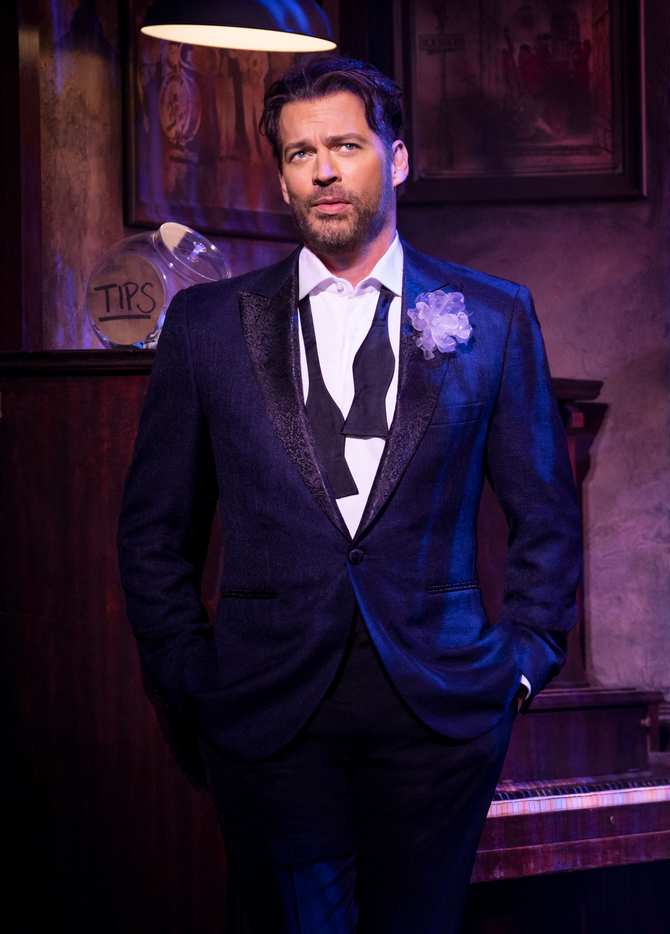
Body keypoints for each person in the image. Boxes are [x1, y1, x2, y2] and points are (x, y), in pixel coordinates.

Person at [116, 56, 581, 933]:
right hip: (266, 708)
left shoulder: (494, 315)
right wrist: (187, 674)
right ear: (284, 176)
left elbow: (548, 518)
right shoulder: (209, 326)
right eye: (299, 154)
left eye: (344, 146)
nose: (323, 171)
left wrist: (518, 669)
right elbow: (153, 530)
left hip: (439, 710)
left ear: (395, 160)